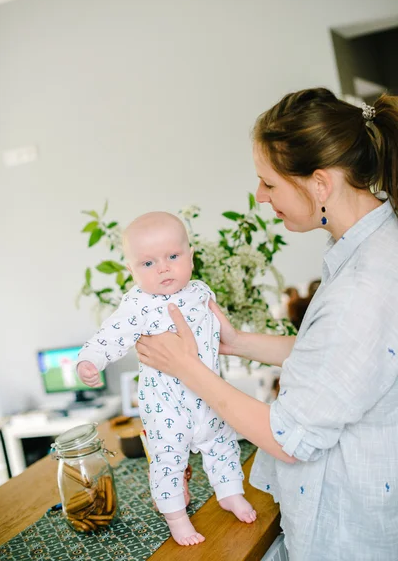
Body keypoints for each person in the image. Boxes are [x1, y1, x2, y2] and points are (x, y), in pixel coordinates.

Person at [134, 88, 398, 561]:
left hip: (348, 535)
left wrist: (188, 369)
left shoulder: (364, 285)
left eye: (269, 184)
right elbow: (336, 364)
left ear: (320, 184)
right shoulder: (372, 246)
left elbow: (289, 438)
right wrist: (236, 342)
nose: (259, 197)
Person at [77, 211, 256, 546]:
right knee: (168, 462)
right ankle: (176, 516)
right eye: (148, 263)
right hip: (165, 404)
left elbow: (217, 332)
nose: (163, 268)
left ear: (190, 256)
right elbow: (111, 335)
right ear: (131, 270)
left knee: (222, 444)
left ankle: (230, 492)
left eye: (173, 257)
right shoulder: (136, 305)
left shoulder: (202, 291)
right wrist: (91, 360)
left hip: (208, 395)